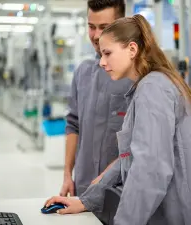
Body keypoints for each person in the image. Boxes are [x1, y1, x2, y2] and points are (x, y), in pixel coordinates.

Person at [45, 14, 191, 225]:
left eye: (107, 53)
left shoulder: (152, 89)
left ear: (132, 50)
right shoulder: (150, 85)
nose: (102, 62)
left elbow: (149, 171)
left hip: (176, 215)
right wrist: (86, 201)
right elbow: (130, 157)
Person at [61, 0, 133, 197]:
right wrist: (68, 174)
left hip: (120, 193)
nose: (96, 35)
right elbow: (73, 124)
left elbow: (139, 144)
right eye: (91, 27)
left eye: (105, 27)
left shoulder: (137, 78)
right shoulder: (83, 73)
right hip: (82, 188)